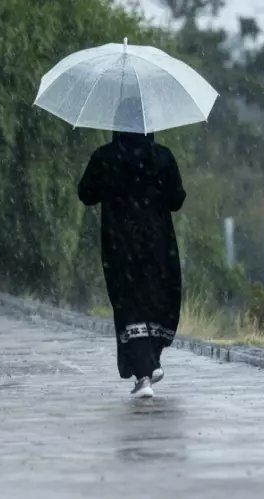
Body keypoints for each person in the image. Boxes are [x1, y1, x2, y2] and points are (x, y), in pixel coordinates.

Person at [78, 129, 186, 399]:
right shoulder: (162, 156)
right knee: (156, 299)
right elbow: (177, 199)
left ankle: (144, 372)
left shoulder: (104, 157)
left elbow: (86, 194)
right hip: (158, 244)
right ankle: (150, 361)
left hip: (120, 244)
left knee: (130, 303)